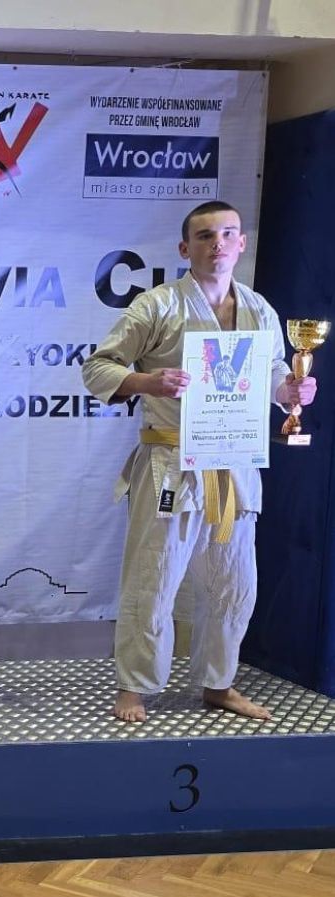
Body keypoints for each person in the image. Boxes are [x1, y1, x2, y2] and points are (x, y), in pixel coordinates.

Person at [82, 200, 316, 723]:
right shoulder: (157, 306)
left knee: (234, 582)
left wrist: (292, 391)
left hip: (234, 462)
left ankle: (219, 682)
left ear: (242, 244)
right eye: (206, 236)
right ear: (185, 248)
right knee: (155, 576)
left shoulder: (259, 309)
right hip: (172, 461)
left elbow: (273, 374)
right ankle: (134, 686)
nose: (218, 244)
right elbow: (98, 368)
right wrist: (146, 380)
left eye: (228, 234)